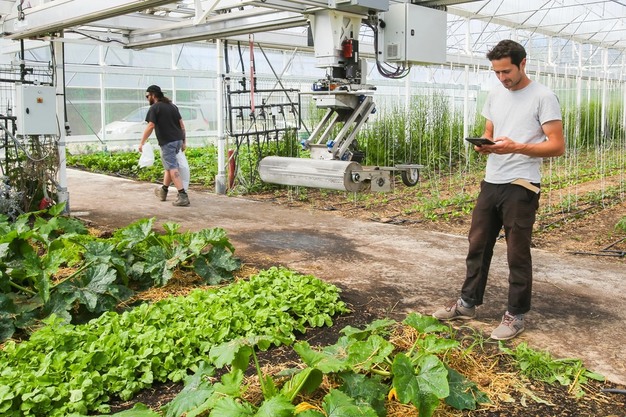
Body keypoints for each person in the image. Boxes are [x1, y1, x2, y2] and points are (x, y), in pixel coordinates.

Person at [432, 40, 565, 340]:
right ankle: (467, 304)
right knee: (477, 244)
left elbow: (557, 146)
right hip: (492, 180)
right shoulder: (494, 94)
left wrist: (517, 147)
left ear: (522, 64)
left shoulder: (543, 97)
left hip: (521, 184)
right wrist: (485, 145)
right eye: (496, 72)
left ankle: (515, 314)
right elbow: (489, 132)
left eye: (507, 71)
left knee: (517, 252)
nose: (502, 78)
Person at [138, 85, 190, 207]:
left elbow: (151, 126)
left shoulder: (155, 108)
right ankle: (163, 191)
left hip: (168, 142)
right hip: (177, 140)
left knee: (172, 168)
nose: (147, 98)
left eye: (147, 96)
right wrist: (183, 142)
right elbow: (182, 126)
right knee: (169, 166)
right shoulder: (172, 106)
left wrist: (142, 142)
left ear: (153, 95)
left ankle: (182, 195)